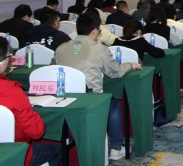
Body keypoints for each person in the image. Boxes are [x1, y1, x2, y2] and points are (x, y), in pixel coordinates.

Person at [53, 13, 142, 161]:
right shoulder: (100, 49)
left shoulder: (61, 48)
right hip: (89, 98)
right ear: (94, 30)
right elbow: (115, 72)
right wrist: (130, 65)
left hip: (64, 97)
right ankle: (116, 148)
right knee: (113, 103)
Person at [0, 36, 62, 166]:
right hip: (12, 155)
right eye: (8, 57)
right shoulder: (11, 92)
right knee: (57, 151)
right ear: (2, 63)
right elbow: (36, 132)